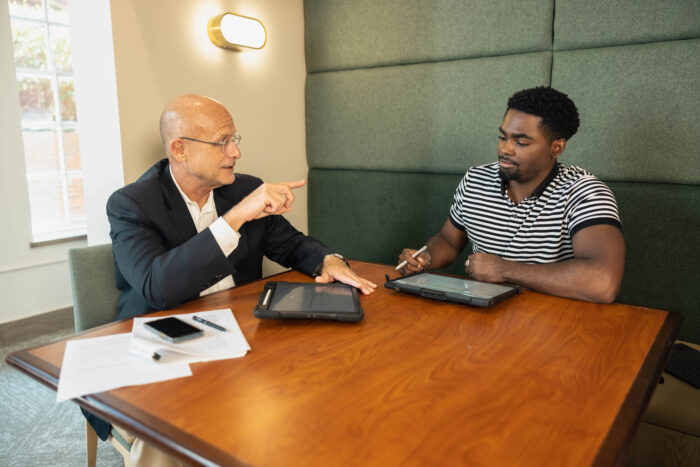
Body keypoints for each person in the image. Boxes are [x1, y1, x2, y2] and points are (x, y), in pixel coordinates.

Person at [87, 94, 377, 465]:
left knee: (318, 393)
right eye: (222, 142)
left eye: (234, 140)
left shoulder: (243, 188)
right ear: (179, 149)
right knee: (172, 435)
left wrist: (327, 259)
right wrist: (235, 219)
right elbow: (157, 288)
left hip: (239, 334)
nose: (235, 153)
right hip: (160, 339)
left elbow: (291, 245)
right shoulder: (131, 203)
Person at [397, 87, 625, 303]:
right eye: (502, 137)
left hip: (552, 325)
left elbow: (603, 282)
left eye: (521, 142)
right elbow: (448, 240)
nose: (505, 149)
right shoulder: (476, 179)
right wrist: (424, 258)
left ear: (556, 148)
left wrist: (504, 269)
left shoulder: (584, 193)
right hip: (481, 322)